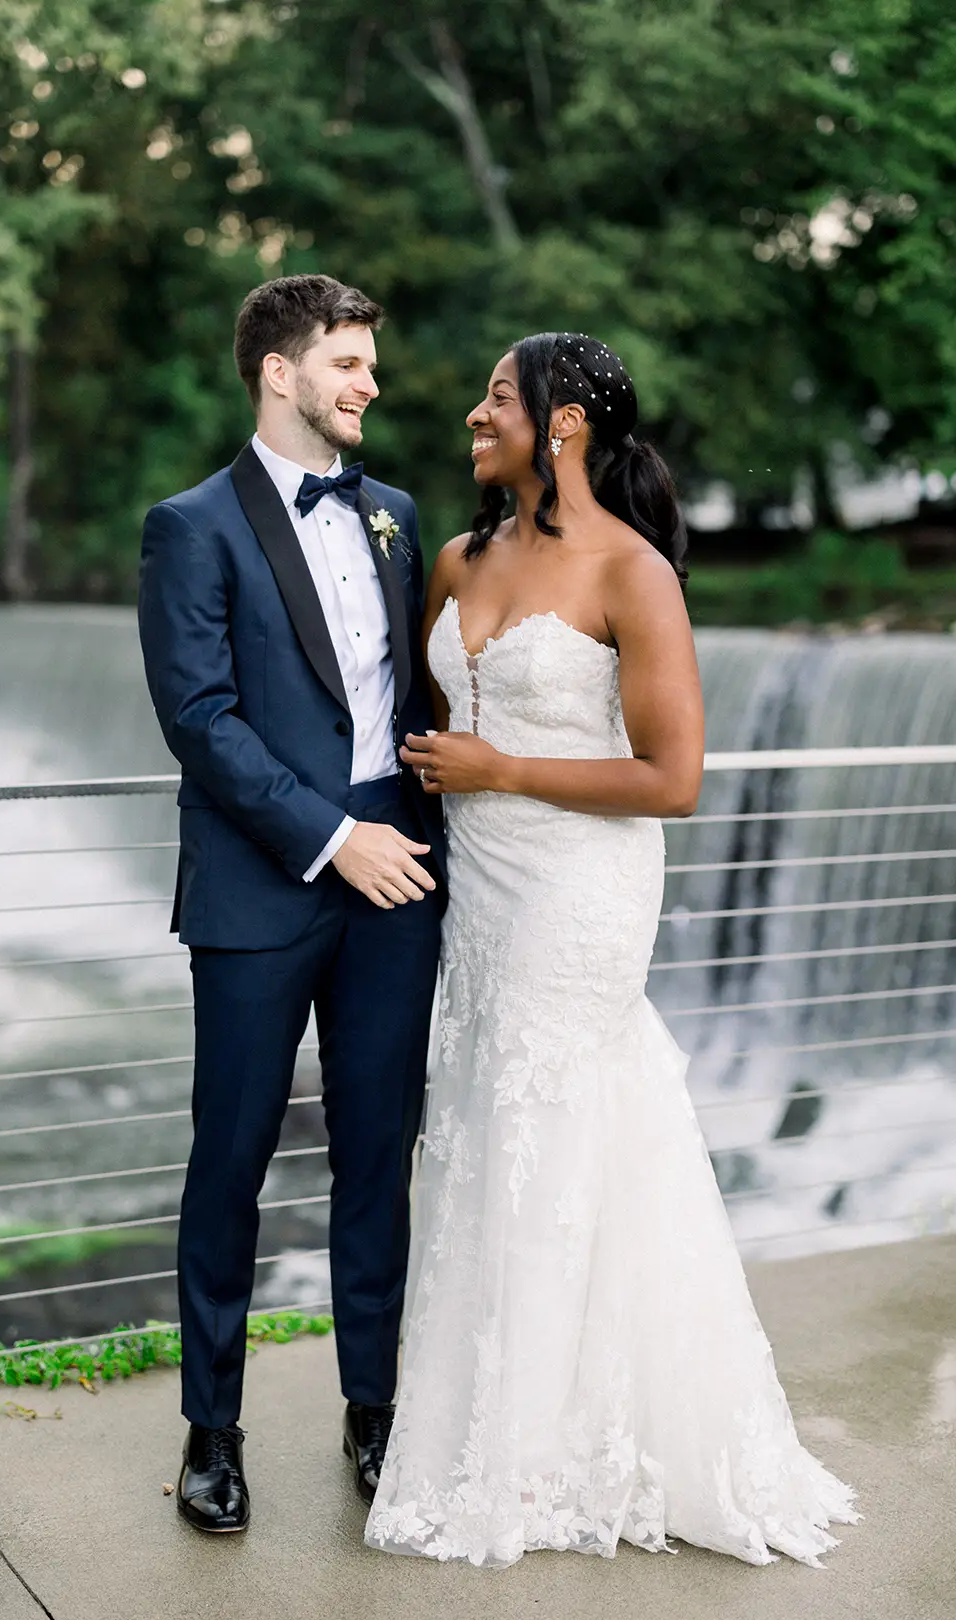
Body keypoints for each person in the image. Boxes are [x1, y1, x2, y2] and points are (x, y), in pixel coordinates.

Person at [366, 332, 858, 1567]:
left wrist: (506, 767)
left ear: (564, 422)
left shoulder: (632, 573)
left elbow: (676, 780)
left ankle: (536, 1464)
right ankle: (499, 1422)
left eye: (496, 396)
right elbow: (421, 722)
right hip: (474, 888)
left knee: (551, 1122)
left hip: (580, 885)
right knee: (486, 1127)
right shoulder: (454, 557)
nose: (475, 413)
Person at [138, 274, 445, 1535]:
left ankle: (375, 1418)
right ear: (281, 371)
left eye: (370, 364)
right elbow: (199, 719)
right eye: (349, 363)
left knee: (378, 1155)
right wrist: (333, 839)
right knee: (233, 1162)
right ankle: (213, 1435)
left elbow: (408, 705)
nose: (370, 384)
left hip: (403, 883)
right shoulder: (190, 525)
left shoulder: (398, 515)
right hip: (267, 886)